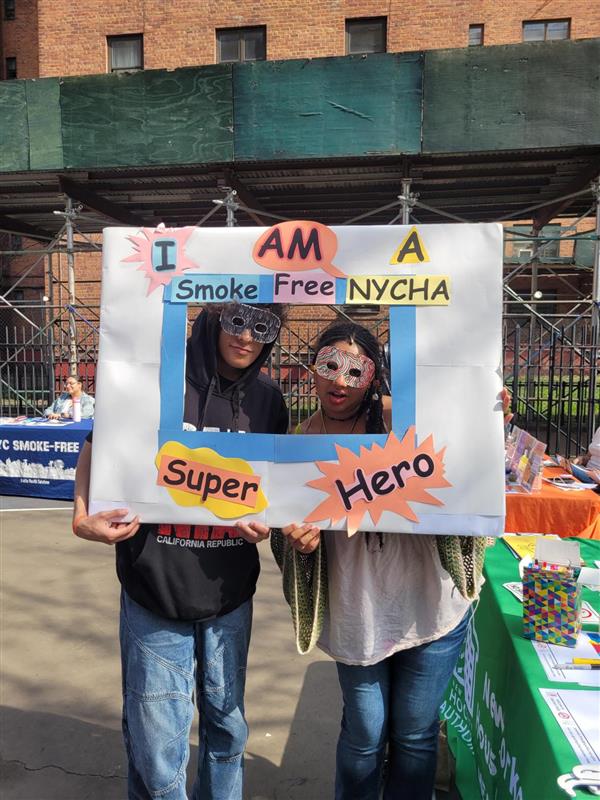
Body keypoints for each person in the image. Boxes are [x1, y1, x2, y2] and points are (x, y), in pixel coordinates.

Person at [72, 302, 288, 800]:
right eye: (237, 320)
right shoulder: (155, 383)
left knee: (227, 730)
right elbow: (95, 445)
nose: (247, 337)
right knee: (158, 747)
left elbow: (276, 484)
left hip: (228, 592)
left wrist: (267, 522)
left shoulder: (268, 399)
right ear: (213, 317)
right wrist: (81, 517)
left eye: (263, 327)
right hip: (155, 587)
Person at [269, 321, 488, 800]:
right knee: (365, 734)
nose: (340, 381)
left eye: (356, 369)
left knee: (414, 733)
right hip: (358, 612)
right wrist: (299, 545)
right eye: (330, 364)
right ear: (313, 368)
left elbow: (470, 459)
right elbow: (281, 532)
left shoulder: (403, 421)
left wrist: (492, 419)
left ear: (373, 376)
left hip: (430, 605)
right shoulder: (299, 442)